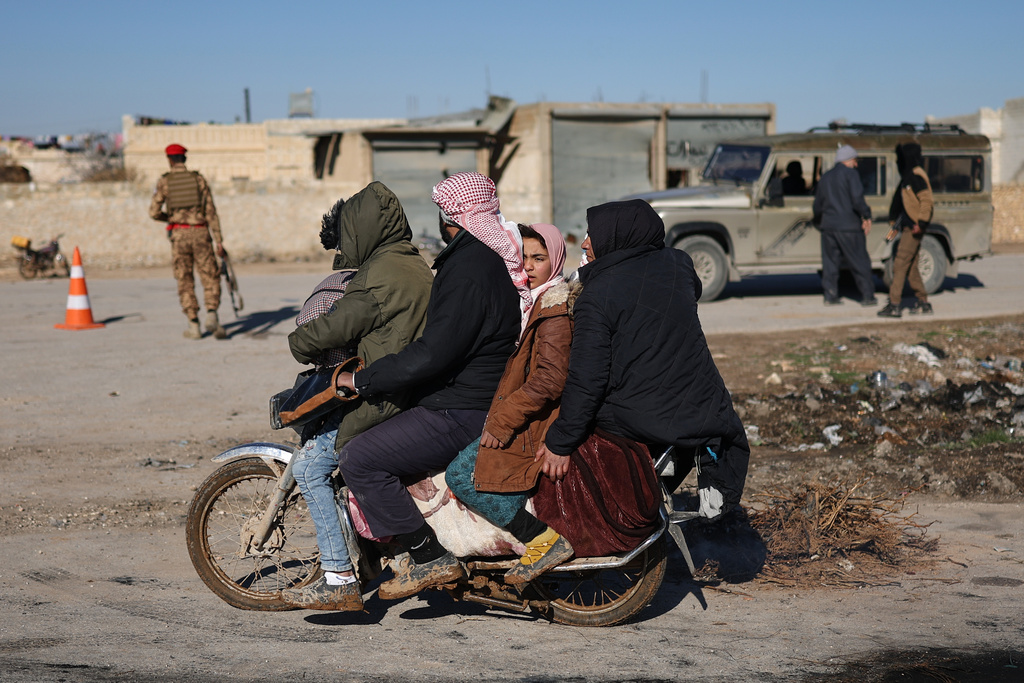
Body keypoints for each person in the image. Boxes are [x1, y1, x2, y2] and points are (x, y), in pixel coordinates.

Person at [333, 172, 523, 601]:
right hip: (470, 398)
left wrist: (364, 380)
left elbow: (434, 352)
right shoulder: (485, 259)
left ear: (451, 218)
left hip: (461, 408)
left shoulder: (469, 267)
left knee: (359, 458)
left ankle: (427, 556)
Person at [538, 199, 750, 522]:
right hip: (706, 407)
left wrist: (560, 440)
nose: (583, 244)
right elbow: (691, 288)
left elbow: (587, 380)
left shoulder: (596, 296)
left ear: (616, 237)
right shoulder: (679, 265)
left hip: (648, 416)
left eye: (592, 235)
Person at [280, 182, 435, 611]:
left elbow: (334, 328)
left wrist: (299, 341)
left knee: (311, 467)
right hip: (411, 388)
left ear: (361, 229)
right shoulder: (414, 264)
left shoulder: (378, 274)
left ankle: (339, 578)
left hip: (380, 395)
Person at [444, 223, 574, 584]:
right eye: (524, 258)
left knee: (461, 475)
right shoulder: (532, 302)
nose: (529, 266)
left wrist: (502, 421)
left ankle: (541, 539)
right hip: (517, 413)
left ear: (557, 260)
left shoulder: (554, 312)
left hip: (532, 424)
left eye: (539, 258)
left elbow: (549, 380)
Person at [148, 143, 229, 339]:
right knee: (210, 275)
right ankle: (211, 314)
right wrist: (218, 240)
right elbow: (211, 212)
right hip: (201, 233)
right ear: (184, 159)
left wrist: (172, 218)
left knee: (184, 279)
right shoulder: (198, 179)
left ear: (169, 160)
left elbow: (153, 212)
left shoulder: (165, 182)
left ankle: (193, 325)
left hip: (179, 235)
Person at [811, 144, 877, 307]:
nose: (856, 164)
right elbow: (857, 199)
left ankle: (830, 295)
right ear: (848, 160)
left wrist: (820, 222)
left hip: (829, 227)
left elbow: (817, 206)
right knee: (859, 261)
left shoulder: (825, 177)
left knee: (830, 264)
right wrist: (866, 216)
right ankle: (868, 296)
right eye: (855, 160)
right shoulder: (851, 175)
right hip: (849, 227)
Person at [878, 142, 934, 318]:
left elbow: (926, 201)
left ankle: (894, 305)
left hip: (913, 229)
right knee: (911, 268)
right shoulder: (908, 176)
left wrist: (921, 223)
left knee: (900, 264)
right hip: (906, 227)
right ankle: (923, 302)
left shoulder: (916, 176)